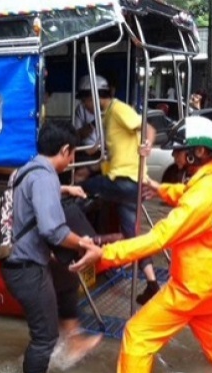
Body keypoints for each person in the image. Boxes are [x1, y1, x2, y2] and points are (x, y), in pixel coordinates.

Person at [71, 116, 212, 373]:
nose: (174, 154)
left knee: (137, 335)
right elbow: (192, 196)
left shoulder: (203, 194)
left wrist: (105, 253)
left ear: (198, 152)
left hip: (194, 288)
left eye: (179, 149)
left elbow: (159, 238)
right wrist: (160, 189)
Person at [0, 120, 103, 373]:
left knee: (52, 314)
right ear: (66, 149)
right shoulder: (45, 177)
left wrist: (64, 189)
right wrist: (85, 244)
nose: (71, 160)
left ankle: (67, 344)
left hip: (16, 263)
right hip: (26, 267)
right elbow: (53, 231)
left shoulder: (27, 170)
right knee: (45, 337)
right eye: (73, 154)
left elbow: (32, 196)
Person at [77, 75, 161, 305]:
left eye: (85, 101)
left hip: (126, 182)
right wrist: (91, 169)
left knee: (75, 192)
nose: (84, 107)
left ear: (93, 97)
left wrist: (148, 145)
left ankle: (81, 244)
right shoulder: (106, 117)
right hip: (129, 184)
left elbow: (147, 127)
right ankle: (152, 283)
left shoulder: (118, 109)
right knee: (134, 237)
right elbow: (112, 157)